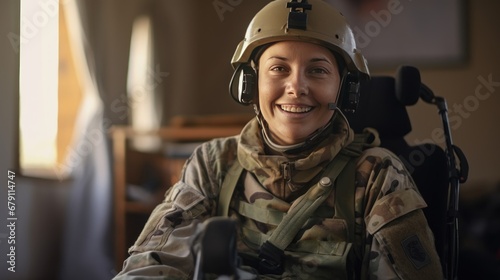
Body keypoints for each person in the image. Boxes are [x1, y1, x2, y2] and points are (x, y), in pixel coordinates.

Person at [113, 0, 443, 279]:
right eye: (278, 69)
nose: (296, 87)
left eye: (317, 71)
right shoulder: (213, 163)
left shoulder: (378, 175)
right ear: (250, 84)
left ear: (346, 91)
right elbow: (151, 263)